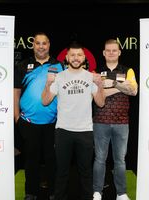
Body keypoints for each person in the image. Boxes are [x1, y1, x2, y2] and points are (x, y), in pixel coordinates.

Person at [41, 41, 106, 200]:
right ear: (67, 57)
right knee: (62, 171)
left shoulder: (91, 77)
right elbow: (45, 101)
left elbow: (101, 102)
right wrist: (48, 84)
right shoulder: (59, 77)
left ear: (84, 57)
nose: (76, 58)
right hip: (63, 131)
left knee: (85, 172)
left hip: (85, 131)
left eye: (79, 55)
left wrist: (100, 85)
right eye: (73, 55)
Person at [14, 32, 64, 200]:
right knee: (31, 160)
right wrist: (16, 117)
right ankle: (31, 192)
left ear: (49, 45)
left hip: (52, 122)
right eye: (38, 43)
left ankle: (53, 192)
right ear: (33, 45)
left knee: (52, 159)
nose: (41, 46)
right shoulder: (23, 65)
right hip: (28, 122)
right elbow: (16, 92)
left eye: (44, 43)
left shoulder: (59, 65)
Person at [92, 39, 138, 200]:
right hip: (100, 122)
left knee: (120, 160)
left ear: (119, 52)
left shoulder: (128, 70)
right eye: (108, 50)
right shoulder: (96, 73)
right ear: (104, 53)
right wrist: (120, 86)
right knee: (99, 159)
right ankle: (97, 191)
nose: (111, 53)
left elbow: (133, 91)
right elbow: (98, 95)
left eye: (114, 50)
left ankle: (121, 193)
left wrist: (111, 84)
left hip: (122, 123)